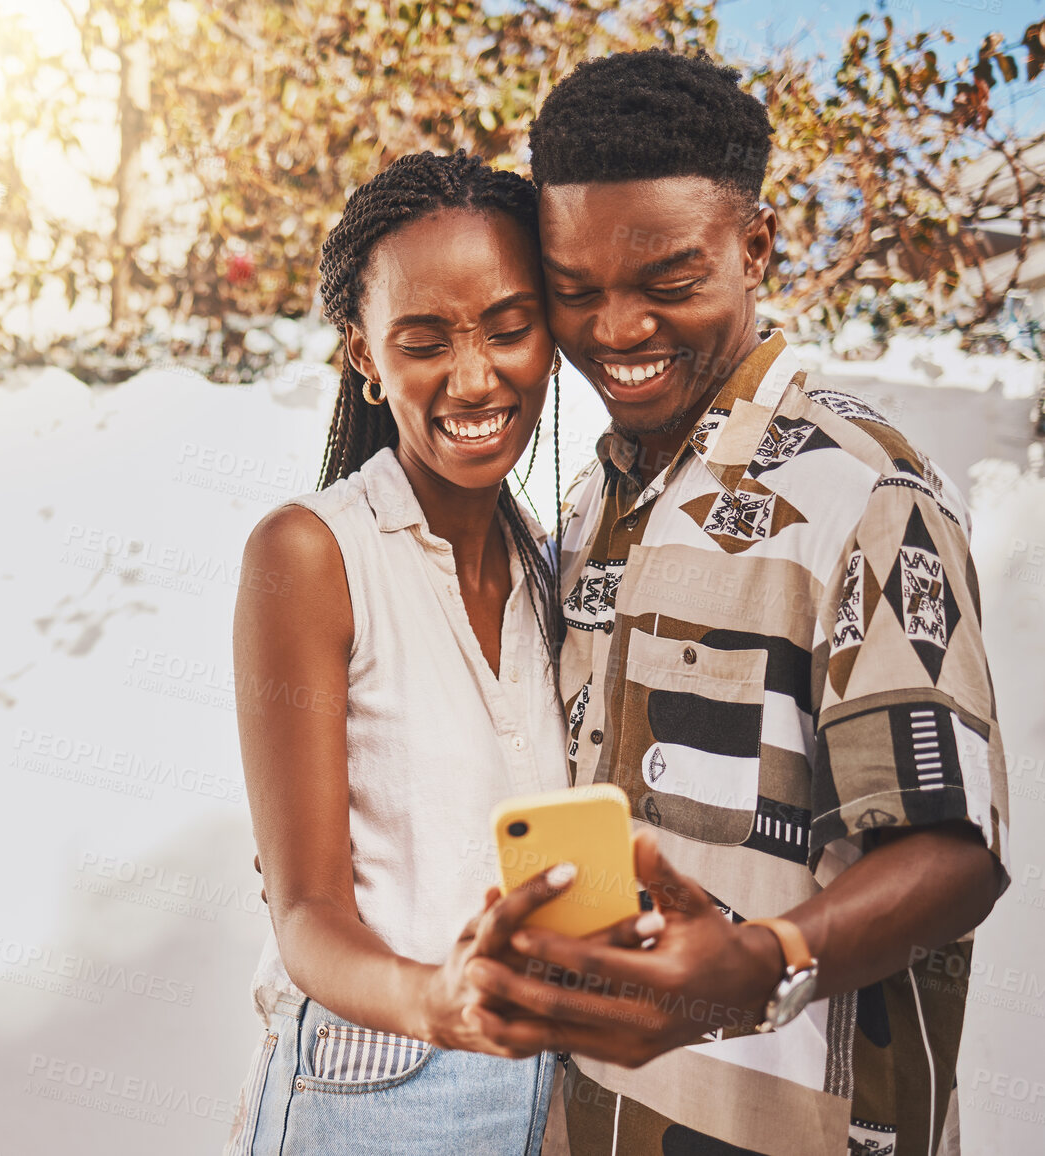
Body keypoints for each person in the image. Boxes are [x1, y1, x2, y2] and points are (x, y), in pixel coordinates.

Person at [461, 50, 1011, 1156]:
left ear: (754, 247)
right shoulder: (587, 500)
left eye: (666, 283)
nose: (615, 331)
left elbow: (951, 852)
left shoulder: (863, 489)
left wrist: (763, 961)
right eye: (575, 291)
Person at [223, 148, 597, 1156]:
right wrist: (437, 1000)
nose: (475, 376)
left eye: (508, 329)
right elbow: (304, 915)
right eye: (423, 340)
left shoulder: (553, 564)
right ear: (363, 356)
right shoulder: (310, 553)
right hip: (371, 1092)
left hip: (543, 1092)